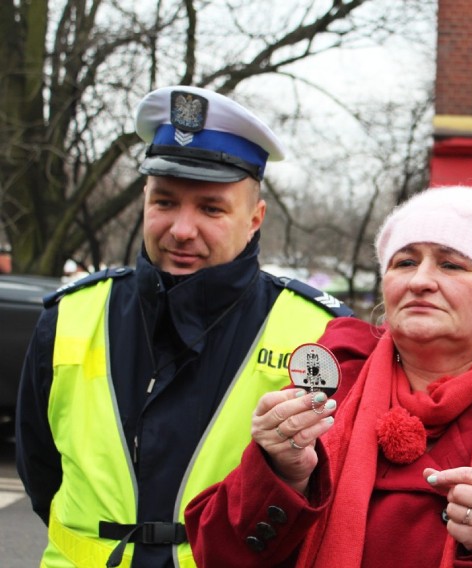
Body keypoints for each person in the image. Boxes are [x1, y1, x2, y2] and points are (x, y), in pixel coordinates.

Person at [184, 186, 472, 567]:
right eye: (404, 262)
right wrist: (280, 473)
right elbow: (216, 553)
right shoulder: (329, 385)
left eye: (451, 264)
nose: (420, 280)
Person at [15, 85, 352, 568]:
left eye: (211, 208)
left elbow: (326, 495)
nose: (181, 229)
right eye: (165, 202)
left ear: (255, 218)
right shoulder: (70, 315)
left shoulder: (317, 332)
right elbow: (40, 469)